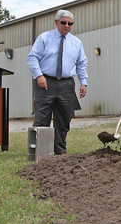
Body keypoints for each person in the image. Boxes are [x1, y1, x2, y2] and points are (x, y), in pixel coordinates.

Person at [27, 9, 88, 156]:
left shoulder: (76, 43)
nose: (66, 25)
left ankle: (60, 150)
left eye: (70, 23)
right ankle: (40, 151)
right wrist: (39, 76)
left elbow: (81, 64)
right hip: (46, 82)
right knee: (42, 118)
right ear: (56, 22)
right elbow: (32, 58)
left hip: (66, 84)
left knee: (64, 119)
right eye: (63, 22)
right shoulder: (44, 38)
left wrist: (83, 82)